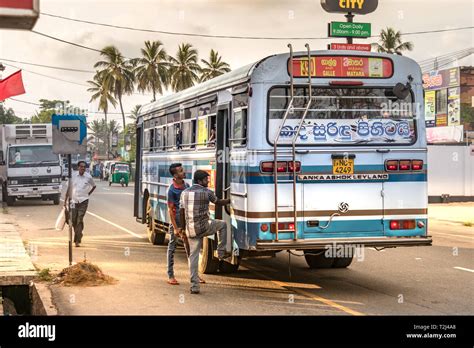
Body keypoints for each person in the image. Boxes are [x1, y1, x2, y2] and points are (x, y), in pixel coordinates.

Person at [179, 170, 231, 294]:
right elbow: (218, 202)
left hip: (190, 230)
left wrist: (182, 228)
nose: (208, 181)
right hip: (204, 227)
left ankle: (194, 286)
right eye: (206, 180)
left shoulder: (184, 193)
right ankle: (221, 252)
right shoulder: (207, 192)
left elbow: (181, 212)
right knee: (223, 225)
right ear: (199, 181)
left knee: (193, 257)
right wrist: (230, 200)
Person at [166, 163, 189, 285]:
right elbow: (170, 210)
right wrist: (175, 228)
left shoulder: (187, 186)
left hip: (186, 221)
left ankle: (194, 274)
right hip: (176, 222)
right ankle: (170, 275)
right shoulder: (171, 190)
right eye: (181, 171)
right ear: (175, 175)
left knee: (189, 248)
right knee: (172, 247)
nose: (183, 172)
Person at [64, 160, 96, 247]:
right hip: (73, 201)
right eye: (81, 166)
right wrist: (65, 200)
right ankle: (79, 233)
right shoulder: (73, 176)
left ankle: (77, 240)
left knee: (79, 219)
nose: (83, 168)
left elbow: (94, 186)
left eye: (84, 167)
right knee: (73, 220)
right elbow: (69, 188)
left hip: (83, 201)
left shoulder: (88, 177)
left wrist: (88, 194)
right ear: (78, 167)